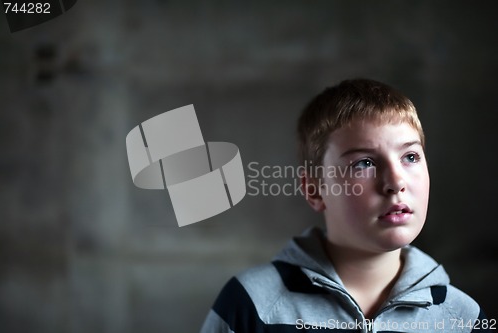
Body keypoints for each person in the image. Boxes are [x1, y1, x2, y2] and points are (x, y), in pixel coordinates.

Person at [199, 79, 489, 332]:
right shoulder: (252, 305)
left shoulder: (462, 318)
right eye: (364, 163)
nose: (395, 181)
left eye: (410, 157)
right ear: (315, 190)